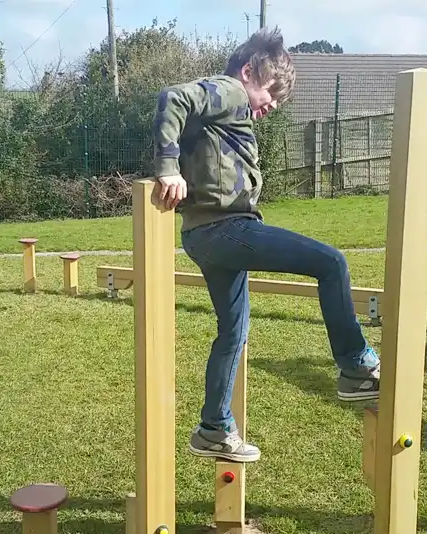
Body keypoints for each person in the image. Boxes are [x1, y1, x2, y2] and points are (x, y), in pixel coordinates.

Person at [151, 27, 381, 464]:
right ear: (249, 71)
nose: (272, 105)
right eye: (272, 92)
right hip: (225, 229)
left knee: (233, 332)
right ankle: (355, 365)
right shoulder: (231, 91)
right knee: (331, 263)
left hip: (206, 235)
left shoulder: (229, 110)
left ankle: (214, 428)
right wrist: (168, 169)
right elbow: (173, 97)